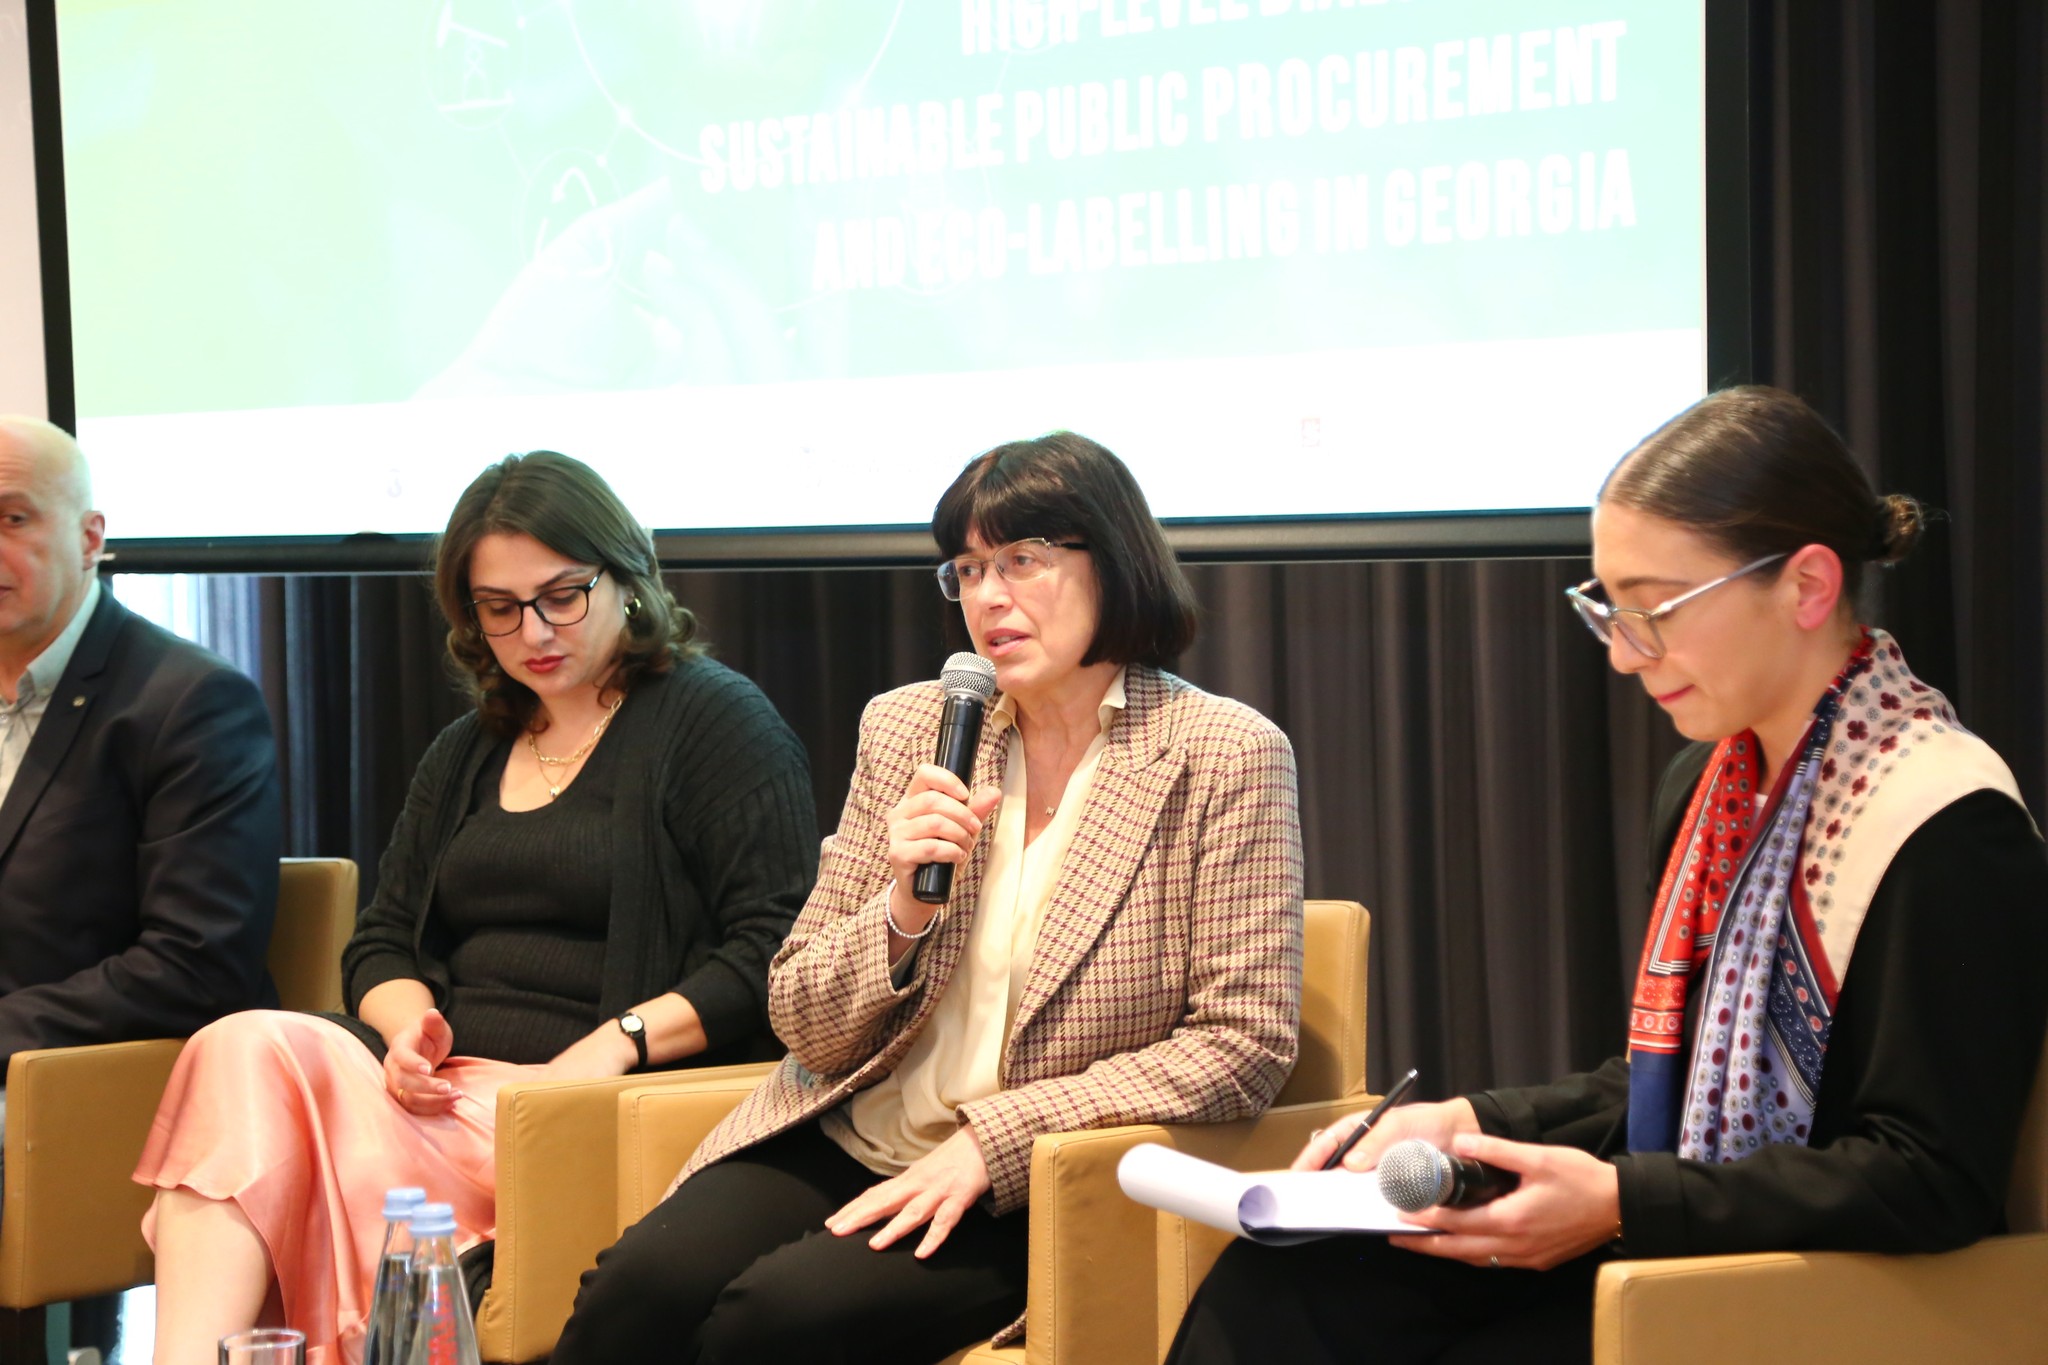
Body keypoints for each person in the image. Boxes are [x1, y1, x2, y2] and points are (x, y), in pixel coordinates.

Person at [1165, 385, 2048, 1364]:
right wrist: (1470, 1122)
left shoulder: (1944, 818)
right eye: (1608, 611)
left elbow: (1929, 1176)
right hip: (1688, 1230)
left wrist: (1625, 1201)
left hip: (1833, 1285)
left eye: (1655, 610)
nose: (1626, 655)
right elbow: (1668, 1084)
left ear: (1805, 586)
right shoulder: (1709, 786)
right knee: (1287, 1283)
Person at [550, 431, 1306, 1364]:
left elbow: (1243, 1041)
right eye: (968, 569)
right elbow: (801, 1015)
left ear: (1113, 562)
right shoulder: (914, 725)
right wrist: (901, 911)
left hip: (1032, 1179)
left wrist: (998, 1142)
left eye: (1022, 559)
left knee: (771, 1321)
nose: (988, 596)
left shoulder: (1224, 754)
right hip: (853, 1125)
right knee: (634, 1292)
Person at [134, 450, 819, 1365]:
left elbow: (775, 947)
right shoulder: (468, 747)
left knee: (296, 1138)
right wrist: (406, 1027)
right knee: (241, 1044)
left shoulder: (714, 721)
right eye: (500, 607)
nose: (534, 630)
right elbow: (381, 940)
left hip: (586, 1102)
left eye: (562, 595)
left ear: (626, 577)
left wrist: (615, 1041)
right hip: (440, 1091)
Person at [0, 413, 280, 1114]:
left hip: (85, 1089)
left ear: (90, 537)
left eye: (13, 518)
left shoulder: (192, 702)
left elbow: (196, 966)